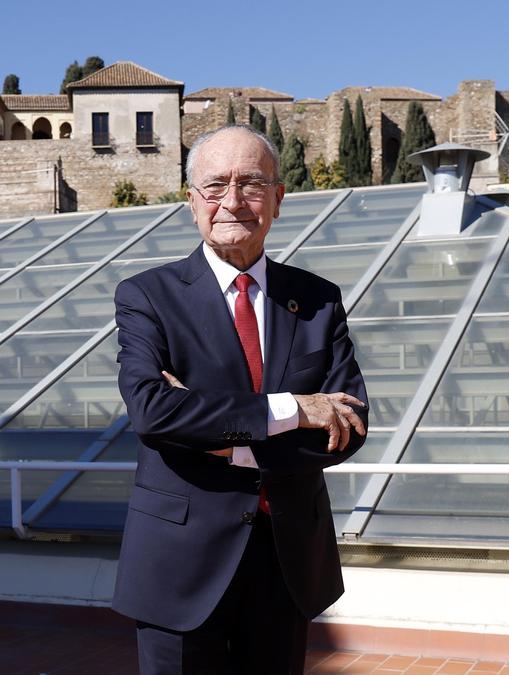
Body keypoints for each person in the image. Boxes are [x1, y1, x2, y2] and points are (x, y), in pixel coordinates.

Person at [112, 125, 369, 674]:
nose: (232, 202)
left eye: (251, 184)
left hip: (287, 564)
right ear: (191, 202)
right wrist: (294, 410)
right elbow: (154, 412)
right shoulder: (147, 297)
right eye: (214, 186)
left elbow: (350, 423)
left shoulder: (318, 301)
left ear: (278, 198)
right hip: (179, 568)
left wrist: (218, 435)